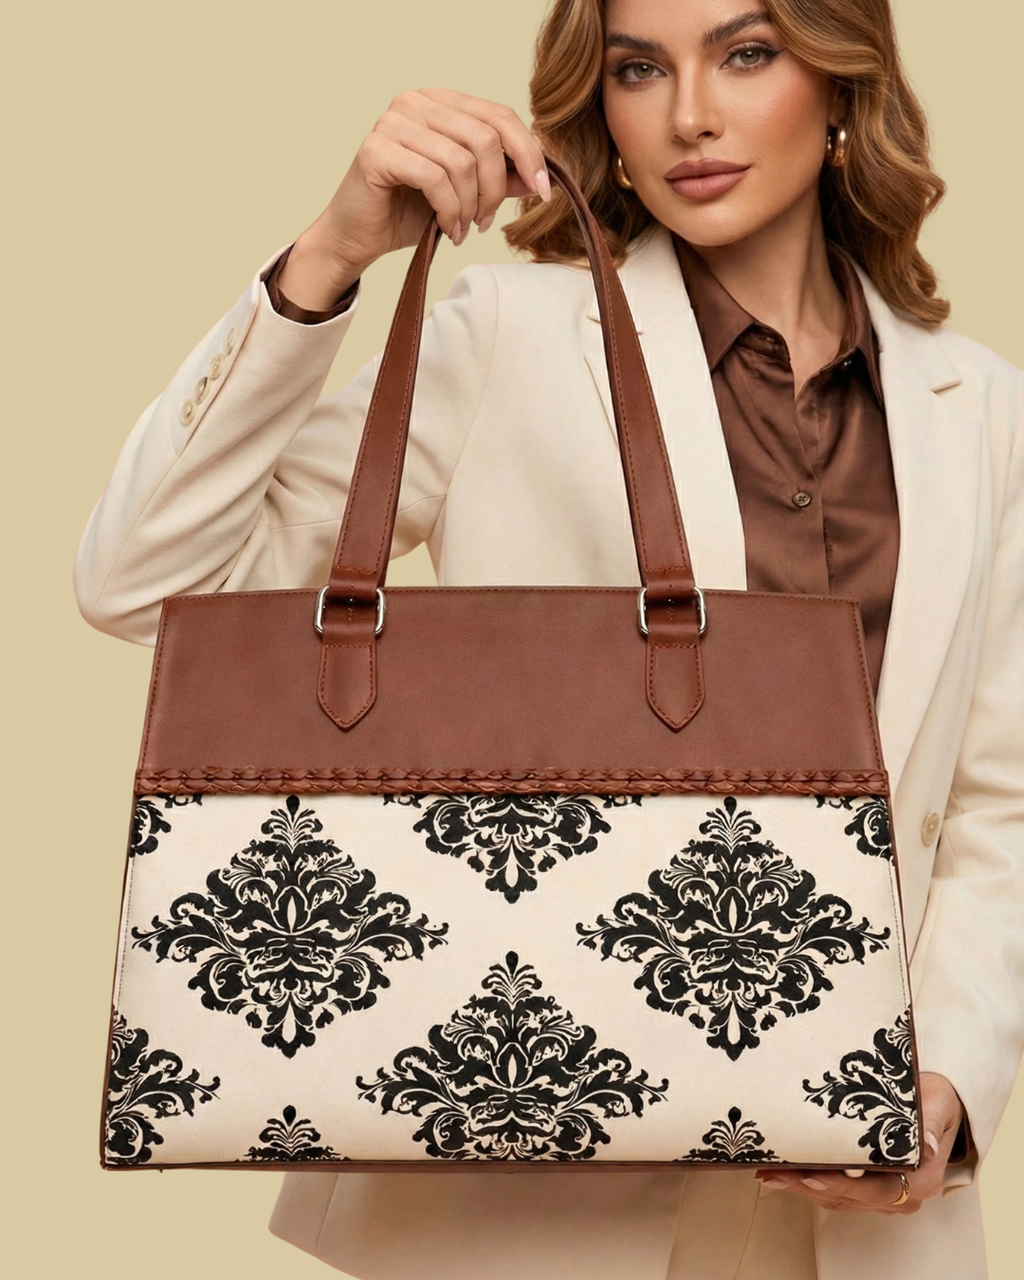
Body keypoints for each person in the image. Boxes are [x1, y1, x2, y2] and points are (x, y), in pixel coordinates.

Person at [74, 0, 1022, 1277]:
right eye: (640, 68)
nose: (689, 112)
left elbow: (998, 801)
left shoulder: (982, 410)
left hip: (857, 1216)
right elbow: (142, 582)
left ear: (845, 83)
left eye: (746, 54)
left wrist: (950, 1082)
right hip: (508, 1208)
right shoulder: (506, 336)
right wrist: (333, 252)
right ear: (601, 113)